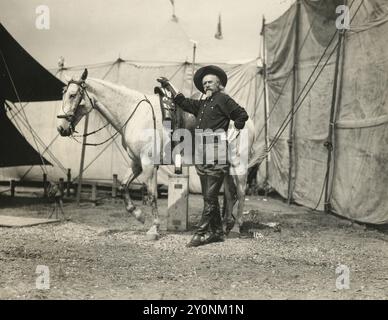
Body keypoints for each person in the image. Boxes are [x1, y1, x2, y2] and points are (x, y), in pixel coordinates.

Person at [158, 65, 249, 247]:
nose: (207, 85)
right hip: (201, 155)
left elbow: (242, 115)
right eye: (205, 83)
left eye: (210, 82)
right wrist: (169, 86)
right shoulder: (202, 104)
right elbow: (182, 101)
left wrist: (231, 135)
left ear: (219, 84)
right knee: (210, 197)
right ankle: (216, 232)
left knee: (209, 196)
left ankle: (201, 233)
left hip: (216, 154)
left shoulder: (223, 99)